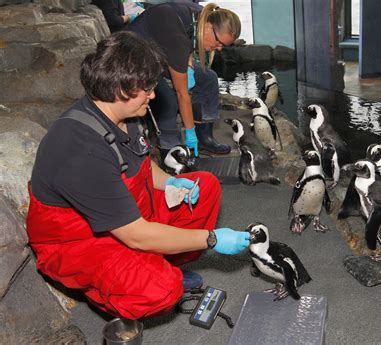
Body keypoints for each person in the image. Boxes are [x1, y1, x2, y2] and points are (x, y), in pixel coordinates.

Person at [26, 31, 250, 321]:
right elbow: (136, 235)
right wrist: (210, 239)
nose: (153, 95)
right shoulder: (79, 149)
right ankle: (112, 293)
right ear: (122, 87)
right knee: (162, 289)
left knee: (204, 186)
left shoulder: (123, 116)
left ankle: (162, 262)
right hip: (80, 243)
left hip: (124, 215)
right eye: (147, 88)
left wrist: (169, 181)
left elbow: (141, 164)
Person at [125, 2, 240, 157]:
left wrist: (190, 67)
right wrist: (189, 131)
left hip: (160, 51)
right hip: (132, 60)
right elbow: (182, 94)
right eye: (219, 42)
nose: (219, 48)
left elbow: (189, 38)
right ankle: (170, 150)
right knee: (168, 100)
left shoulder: (203, 14)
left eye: (224, 46)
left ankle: (204, 138)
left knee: (208, 78)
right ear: (208, 28)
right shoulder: (176, 38)